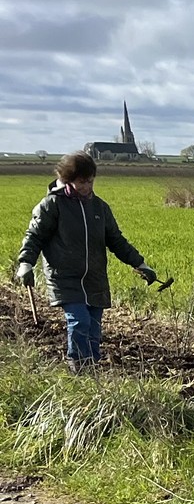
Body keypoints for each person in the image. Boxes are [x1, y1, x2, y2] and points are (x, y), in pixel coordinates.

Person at [14, 152, 158, 371]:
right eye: (82, 181)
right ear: (67, 180)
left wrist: (140, 264)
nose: (87, 186)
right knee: (79, 322)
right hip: (65, 277)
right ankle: (79, 368)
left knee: (94, 328)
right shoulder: (52, 205)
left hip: (95, 278)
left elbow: (116, 241)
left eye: (90, 180)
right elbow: (34, 236)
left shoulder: (100, 208)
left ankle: (92, 371)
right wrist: (26, 263)